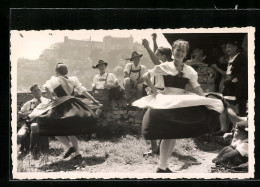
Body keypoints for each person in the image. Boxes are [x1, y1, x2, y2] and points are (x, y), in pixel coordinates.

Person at [133, 39, 224, 173]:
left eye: (183, 51)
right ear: (173, 52)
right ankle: (161, 167)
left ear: (186, 53)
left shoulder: (189, 70)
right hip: (167, 102)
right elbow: (146, 76)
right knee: (168, 135)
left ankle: (164, 166)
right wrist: (155, 91)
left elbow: (196, 86)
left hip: (180, 102)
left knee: (173, 134)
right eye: (178, 50)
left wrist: (205, 100)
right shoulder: (165, 66)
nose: (180, 53)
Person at [28, 63, 102, 160]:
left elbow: (46, 87)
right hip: (73, 105)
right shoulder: (73, 80)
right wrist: (94, 100)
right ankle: (77, 154)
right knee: (71, 131)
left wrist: (51, 97)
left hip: (61, 106)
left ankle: (69, 148)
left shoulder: (55, 80)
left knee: (53, 129)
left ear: (57, 71)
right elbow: (83, 91)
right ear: (66, 71)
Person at [141, 36, 172, 155]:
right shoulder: (165, 63)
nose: (156, 55)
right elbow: (156, 57)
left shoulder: (167, 65)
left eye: (159, 54)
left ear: (165, 56)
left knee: (151, 121)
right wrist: (154, 42)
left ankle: (155, 148)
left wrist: (147, 47)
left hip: (160, 94)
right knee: (155, 121)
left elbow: (155, 60)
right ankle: (157, 147)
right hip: (157, 93)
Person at [17, 84, 50, 156]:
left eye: (39, 90)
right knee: (20, 134)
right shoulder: (29, 103)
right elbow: (20, 114)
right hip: (28, 123)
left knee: (34, 126)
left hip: (42, 123)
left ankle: (32, 150)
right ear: (32, 93)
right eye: (35, 91)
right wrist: (28, 113)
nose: (38, 92)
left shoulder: (47, 101)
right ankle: (23, 148)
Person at [222, 40, 248, 117]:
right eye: (226, 47)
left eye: (229, 47)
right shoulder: (231, 58)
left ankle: (239, 126)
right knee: (228, 105)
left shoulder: (241, 57)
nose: (227, 49)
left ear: (236, 47)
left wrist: (236, 79)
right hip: (230, 85)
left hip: (238, 87)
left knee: (239, 107)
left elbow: (244, 71)